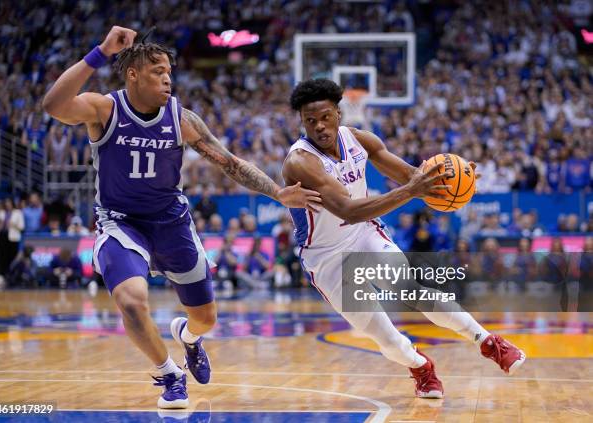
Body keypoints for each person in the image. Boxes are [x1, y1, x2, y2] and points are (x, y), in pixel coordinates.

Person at [42, 26, 320, 409]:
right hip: (121, 223)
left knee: (205, 318)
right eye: (158, 70)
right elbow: (53, 105)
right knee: (132, 300)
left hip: (172, 224)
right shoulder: (104, 109)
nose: (168, 77)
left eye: (169, 70)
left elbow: (230, 162)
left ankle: (189, 337)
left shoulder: (181, 118)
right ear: (133, 74)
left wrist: (277, 192)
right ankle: (170, 374)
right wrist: (102, 51)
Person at [282, 79, 525, 399]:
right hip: (326, 256)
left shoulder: (359, 140)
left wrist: (455, 182)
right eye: (310, 121)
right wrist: (411, 191)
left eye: (325, 117)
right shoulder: (301, 161)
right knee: (386, 338)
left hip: (363, 235)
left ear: (338, 114)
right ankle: (420, 366)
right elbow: (348, 209)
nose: (319, 127)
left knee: (409, 288)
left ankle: (488, 342)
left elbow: (413, 177)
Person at [0, 198, 25, 289]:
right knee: (2, 258)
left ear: (12, 203)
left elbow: (22, 227)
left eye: (9, 202)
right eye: (6, 202)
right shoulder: (1, 213)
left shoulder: (18, 213)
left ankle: (11, 276)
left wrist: (12, 224)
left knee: (12, 258)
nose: (7, 204)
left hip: (13, 238)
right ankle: (2, 276)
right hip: (2, 237)